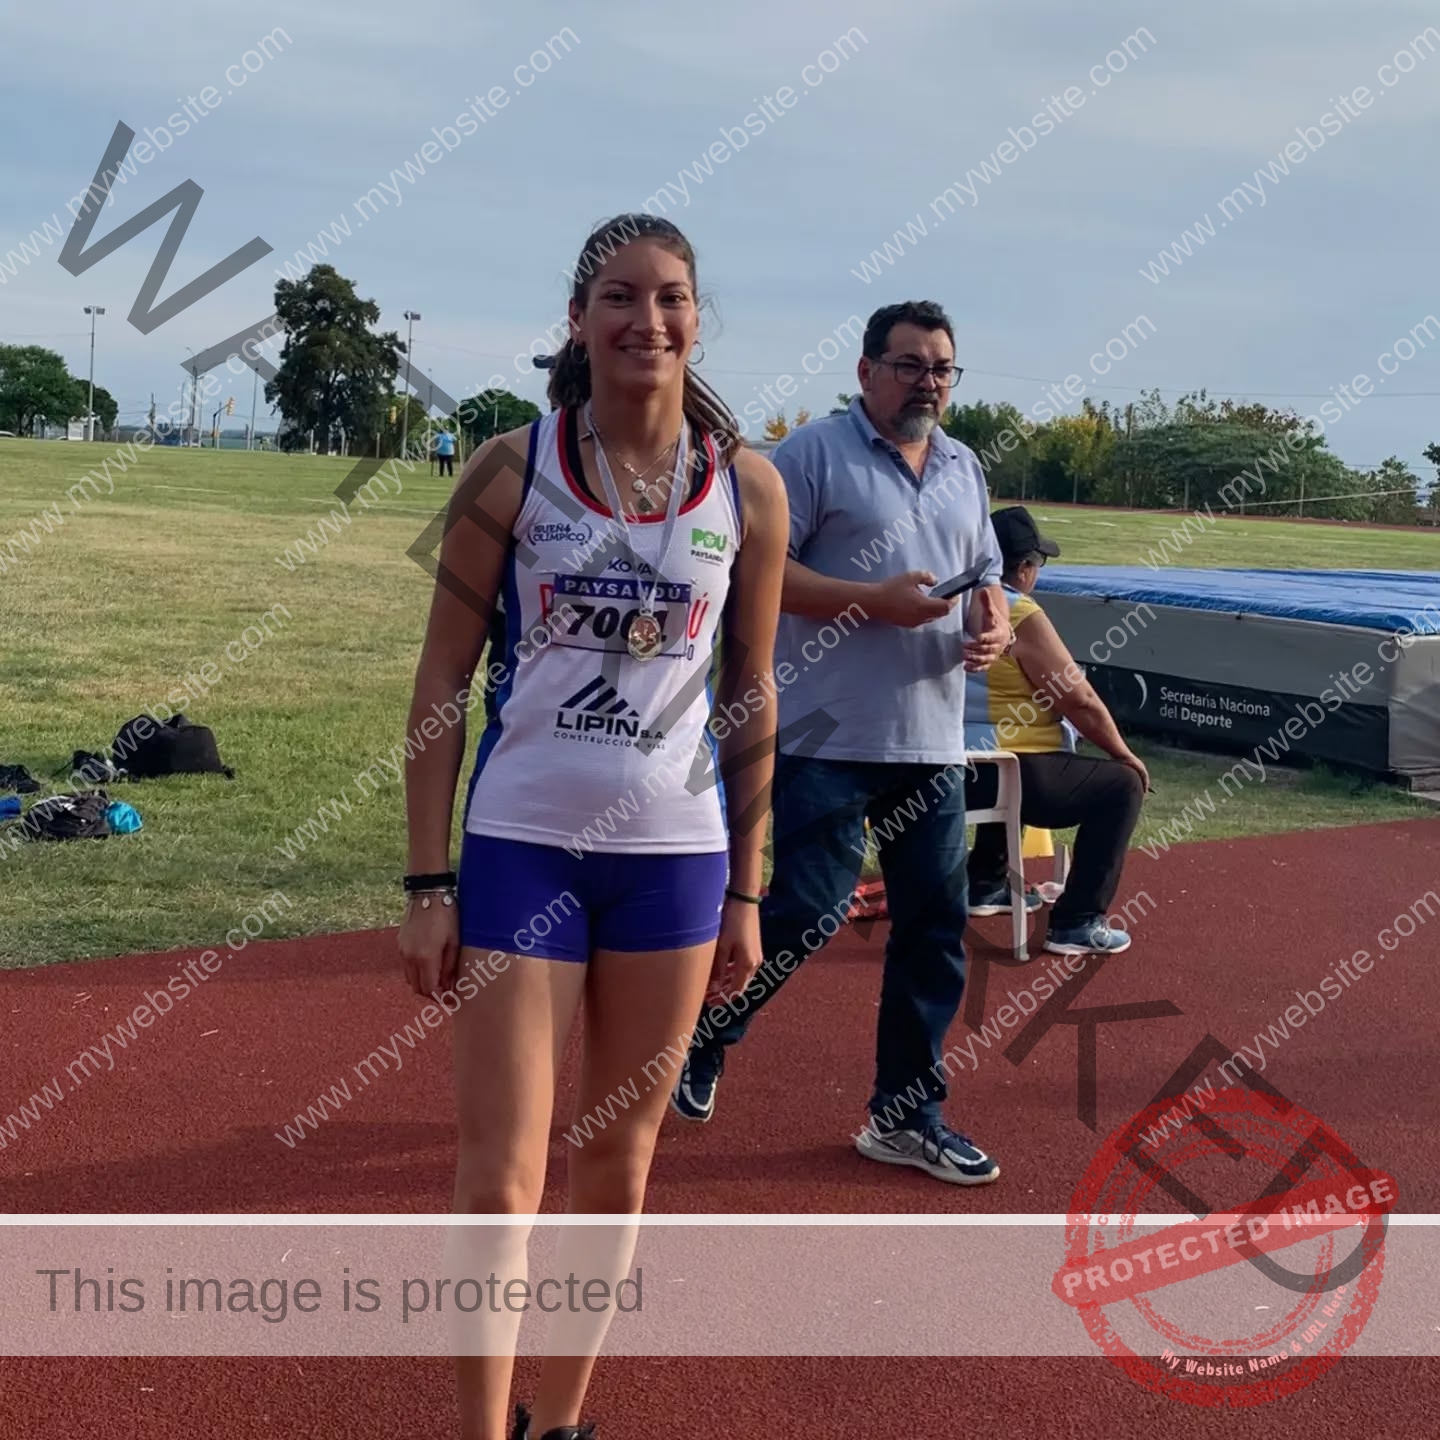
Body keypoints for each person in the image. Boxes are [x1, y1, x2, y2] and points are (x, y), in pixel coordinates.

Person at [398, 212, 789, 1440]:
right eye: (619, 297)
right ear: (578, 319)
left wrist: (749, 889)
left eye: (671, 298)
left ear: (695, 317)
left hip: (676, 863)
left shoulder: (751, 488)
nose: (647, 321)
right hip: (524, 847)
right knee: (501, 1176)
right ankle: (476, 1429)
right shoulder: (511, 471)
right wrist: (425, 881)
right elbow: (438, 686)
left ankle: (558, 1422)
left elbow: (751, 695)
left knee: (618, 1167)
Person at [672, 299, 1013, 1187]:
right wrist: (873, 604)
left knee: (934, 929)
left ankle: (906, 1115)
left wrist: (995, 622)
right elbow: (760, 572)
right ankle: (705, 1036)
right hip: (826, 730)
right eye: (910, 365)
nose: (928, 381)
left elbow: (987, 576)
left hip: (932, 739)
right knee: (808, 910)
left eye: (942, 367)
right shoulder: (813, 454)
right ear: (865, 372)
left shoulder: (966, 467)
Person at [962, 505, 1149, 955]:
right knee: (1121, 786)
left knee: (1021, 765)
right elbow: (1078, 699)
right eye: (1037, 565)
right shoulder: (1018, 611)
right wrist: (1125, 754)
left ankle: (985, 883)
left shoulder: (953, 601)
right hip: (1007, 771)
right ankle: (1077, 922)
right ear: (1024, 568)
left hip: (951, 769)